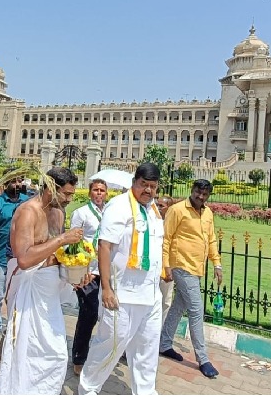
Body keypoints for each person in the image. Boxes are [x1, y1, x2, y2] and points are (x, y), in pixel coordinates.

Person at [0, 167, 84, 395]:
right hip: (29, 289)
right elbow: (24, 258)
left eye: (72, 195)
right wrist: (63, 238)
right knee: (25, 351)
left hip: (50, 292)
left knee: (54, 353)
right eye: (66, 194)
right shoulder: (28, 212)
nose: (69, 199)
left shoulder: (59, 212)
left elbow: (58, 252)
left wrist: (76, 270)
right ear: (51, 187)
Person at [79, 163, 165, 395]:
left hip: (150, 294)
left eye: (153, 186)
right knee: (110, 346)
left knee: (147, 349)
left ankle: (145, 392)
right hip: (121, 294)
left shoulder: (153, 209)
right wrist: (106, 288)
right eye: (143, 185)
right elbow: (104, 246)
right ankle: (88, 389)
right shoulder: (119, 206)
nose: (148, 190)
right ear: (134, 182)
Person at [159, 179, 223, 379]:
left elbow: (210, 239)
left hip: (197, 266)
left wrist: (217, 263)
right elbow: (166, 237)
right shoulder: (178, 210)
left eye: (204, 194)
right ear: (192, 190)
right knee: (196, 310)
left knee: (179, 306)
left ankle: (164, 343)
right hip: (180, 264)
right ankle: (203, 359)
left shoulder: (208, 213)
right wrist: (165, 265)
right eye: (198, 192)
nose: (200, 197)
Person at [0, 172, 28, 351]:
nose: (17, 184)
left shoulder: (26, 202)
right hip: (2, 257)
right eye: (13, 181)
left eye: (19, 181)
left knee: (18, 296)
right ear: (6, 183)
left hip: (21, 258)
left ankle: (14, 329)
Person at [68, 178, 107, 375]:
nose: (99, 193)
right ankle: (79, 356)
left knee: (104, 314)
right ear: (90, 193)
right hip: (87, 271)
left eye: (102, 191)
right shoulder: (81, 213)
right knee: (88, 314)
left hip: (105, 270)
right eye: (96, 190)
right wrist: (77, 274)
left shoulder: (109, 213)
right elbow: (73, 243)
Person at [155, 195, 175, 324]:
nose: (158, 207)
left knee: (165, 302)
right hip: (152, 267)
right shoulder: (152, 221)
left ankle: (161, 332)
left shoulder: (173, 225)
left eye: (161, 206)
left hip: (167, 268)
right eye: (157, 204)